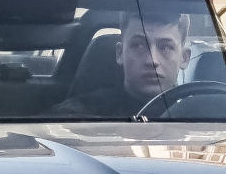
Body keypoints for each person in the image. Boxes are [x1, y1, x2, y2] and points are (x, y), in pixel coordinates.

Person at [59, 9, 190, 116]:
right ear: (120, 53)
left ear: (184, 58)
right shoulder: (74, 118)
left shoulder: (203, 115)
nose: (152, 60)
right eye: (138, 45)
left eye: (165, 47)